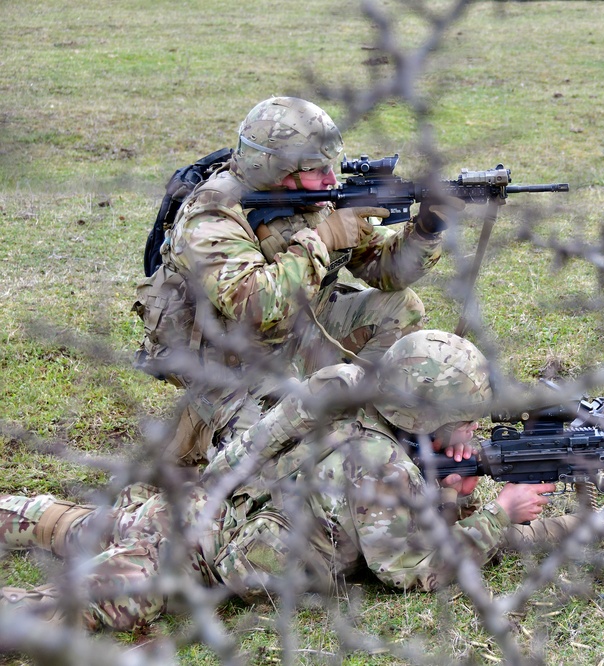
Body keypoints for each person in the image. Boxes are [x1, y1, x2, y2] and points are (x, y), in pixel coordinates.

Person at [0, 330, 577, 631]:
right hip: (184, 556)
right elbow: (407, 571)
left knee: (85, 528)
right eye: (466, 415)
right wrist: (499, 513)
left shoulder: (354, 400)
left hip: (194, 510)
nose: (473, 427)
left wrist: (454, 492)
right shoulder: (376, 459)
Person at [133, 96, 459, 465]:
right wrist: (323, 239)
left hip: (296, 337)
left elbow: (386, 271)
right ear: (275, 168)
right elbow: (255, 305)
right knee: (278, 460)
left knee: (399, 307)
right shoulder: (211, 214)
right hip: (230, 364)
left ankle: (368, 422)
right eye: (318, 170)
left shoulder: (312, 197)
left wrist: (427, 229)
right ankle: (200, 426)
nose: (331, 180)